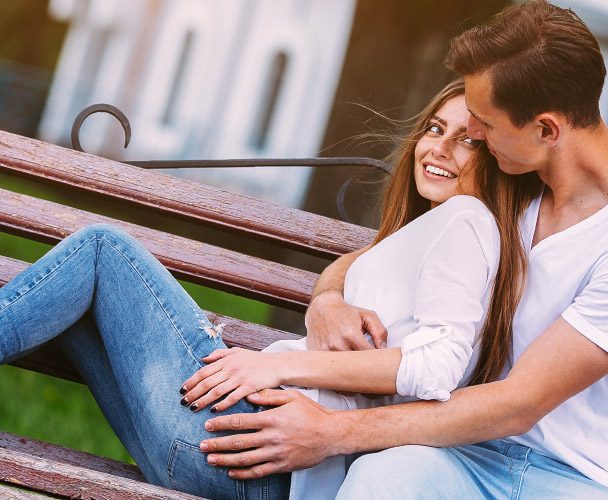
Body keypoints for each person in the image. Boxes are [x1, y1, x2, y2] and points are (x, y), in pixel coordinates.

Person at [197, 2, 608, 499]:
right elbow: (384, 252)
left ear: (546, 129)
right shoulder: (518, 178)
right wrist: (329, 299)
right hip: (464, 453)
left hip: (574, 480)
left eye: (484, 121)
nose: (473, 134)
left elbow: (517, 405)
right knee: (382, 478)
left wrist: (329, 432)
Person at [0, 79, 536, 499]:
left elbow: (437, 365)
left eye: (468, 140)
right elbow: (358, 267)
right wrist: (327, 299)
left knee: (104, 251)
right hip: (238, 460)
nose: (440, 148)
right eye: (436, 129)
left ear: (499, 159)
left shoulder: (467, 220)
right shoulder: (436, 232)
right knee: (86, 303)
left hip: (250, 440)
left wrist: (274, 365)